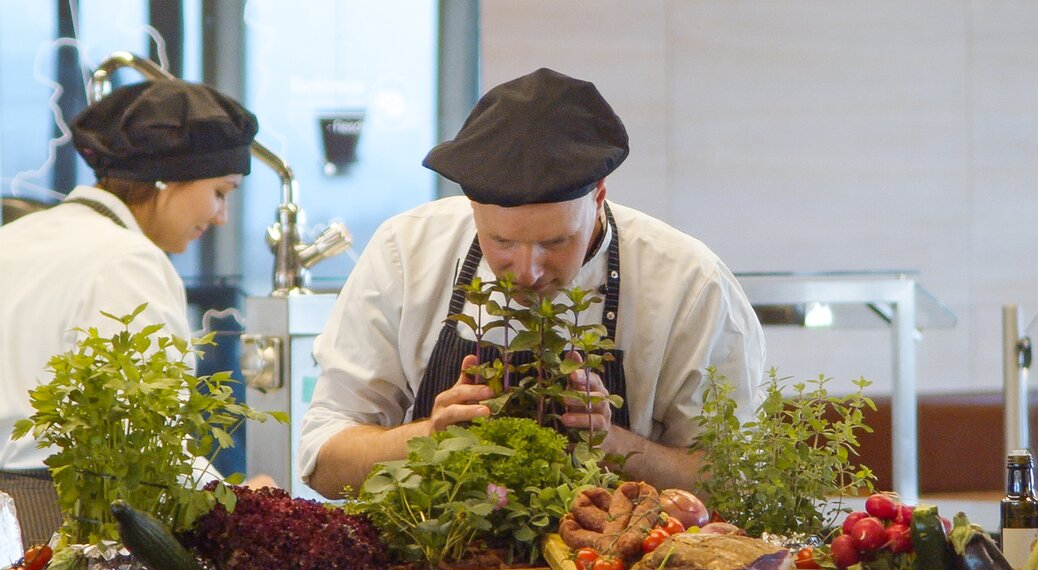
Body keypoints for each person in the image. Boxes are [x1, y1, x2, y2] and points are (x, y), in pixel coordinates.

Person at [299, 67, 766, 498]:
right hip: (435, 568)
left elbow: (733, 483)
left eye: (555, 242)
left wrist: (614, 443)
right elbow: (323, 459)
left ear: (599, 195)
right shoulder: (406, 252)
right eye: (501, 241)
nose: (527, 271)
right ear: (470, 205)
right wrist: (426, 439)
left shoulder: (689, 283)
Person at [0, 79, 258, 548]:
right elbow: (143, 434)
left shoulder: (15, 238)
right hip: (58, 519)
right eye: (221, 191)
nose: (220, 215)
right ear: (168, 179)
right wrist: (236, 505)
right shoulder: (128, 260)